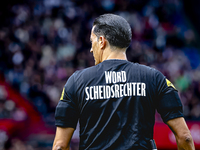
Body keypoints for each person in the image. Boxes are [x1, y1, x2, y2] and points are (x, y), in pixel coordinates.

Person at [52, 14, 195, 150]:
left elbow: (60, 146)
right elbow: (185, 137)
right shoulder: (155, 78)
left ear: (101, 41)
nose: (90, 49)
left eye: (92, 41)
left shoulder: (76, 82)